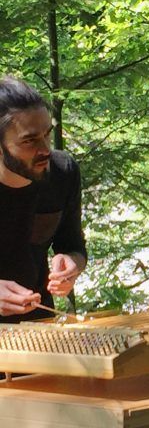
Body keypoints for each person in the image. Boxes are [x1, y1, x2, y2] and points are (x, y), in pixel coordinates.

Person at [0, 76, 86, 323]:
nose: (45, 149)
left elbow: (74, 246)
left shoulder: (63, 172)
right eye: (30, 141)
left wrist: (71, 264)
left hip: (40, 325)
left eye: (47, 135)